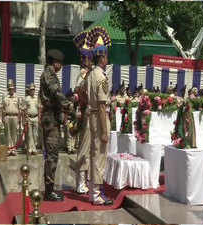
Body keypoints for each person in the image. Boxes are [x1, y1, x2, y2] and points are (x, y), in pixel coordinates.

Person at [39, 49, 73, 201]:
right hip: (50, 118)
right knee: (52, 155)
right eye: (60, 63)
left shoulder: (49, 73)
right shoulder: (49, 74)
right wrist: (68, 105)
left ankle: (49, 188)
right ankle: (49, 192)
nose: (61, 66)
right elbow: (56, 93)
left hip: (52, 118)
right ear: (55, 62)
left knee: (52, 154)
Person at [87, 26, 113, 205]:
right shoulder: (101, 77)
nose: (107, 58)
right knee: (100, 155)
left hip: (92, 116)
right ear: (102, 57)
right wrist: (105, 130)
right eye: (106, 56)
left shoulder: (90, 74)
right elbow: (103, 106)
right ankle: (96, 194)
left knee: (94, 154)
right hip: (99, 117)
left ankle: (93, 191)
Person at [73, 31, 94, 195]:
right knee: (84, 149)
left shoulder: (89, 74)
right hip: (86, 115)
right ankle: (80, 182)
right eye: (86, 58)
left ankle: (85, 180)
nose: (88, 60)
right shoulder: (82, 75)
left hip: (92, 116)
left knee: (90, 150)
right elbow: (79, 94)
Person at [2, 80, 21, 156]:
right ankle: (8, 148)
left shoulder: (17, 97)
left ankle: (13, 149)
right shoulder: (5, 97)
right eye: (10, 89)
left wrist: (19, 118)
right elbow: (2, 108)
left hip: (15, 117)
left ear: (14, 89)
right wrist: (2, 118)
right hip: (7, 116)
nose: (11, 90)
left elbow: (20, 108)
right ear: (8, 90)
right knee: (8, 133)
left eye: (12, 89)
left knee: (14, 133)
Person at [23, 83, 40, 155]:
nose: (32, 91)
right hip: (29, 117)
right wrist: (25, 118)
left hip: (36, 117)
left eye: (33, 90)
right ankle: (30, 149)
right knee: (29, 134)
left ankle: (34, 147)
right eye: (31, 90)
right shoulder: (26, 99)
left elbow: (39, 108)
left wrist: (39, 117)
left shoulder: (37, 98)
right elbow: (24, 109)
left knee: (35, 134)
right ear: (29, 91)